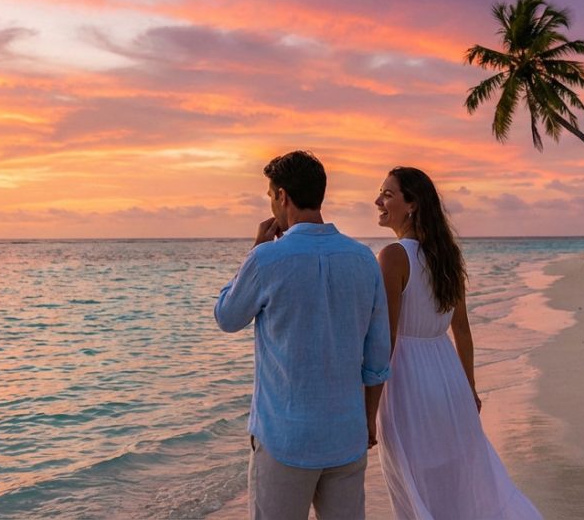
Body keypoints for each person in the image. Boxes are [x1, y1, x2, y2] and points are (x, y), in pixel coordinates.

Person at [215, 150, 391, 520]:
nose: (272, 205)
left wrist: (254, 251)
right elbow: (377, 360)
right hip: (346, 433)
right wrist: (367, 421)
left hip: (285, 437)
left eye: (270, 196)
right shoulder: (363, 259)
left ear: (282, 196)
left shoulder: (266, 259)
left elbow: (228, 317)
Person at [371, 166, 543, 520]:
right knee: (455, 483)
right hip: (448, 378)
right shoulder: (446, 256)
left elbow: (385, 337)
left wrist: (367, 406)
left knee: (411, 482)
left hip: (408, 384)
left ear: (413, 204)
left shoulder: (393, 256)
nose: (378, 201)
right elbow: (461, 330)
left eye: (388, 194)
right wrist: (470, 390)